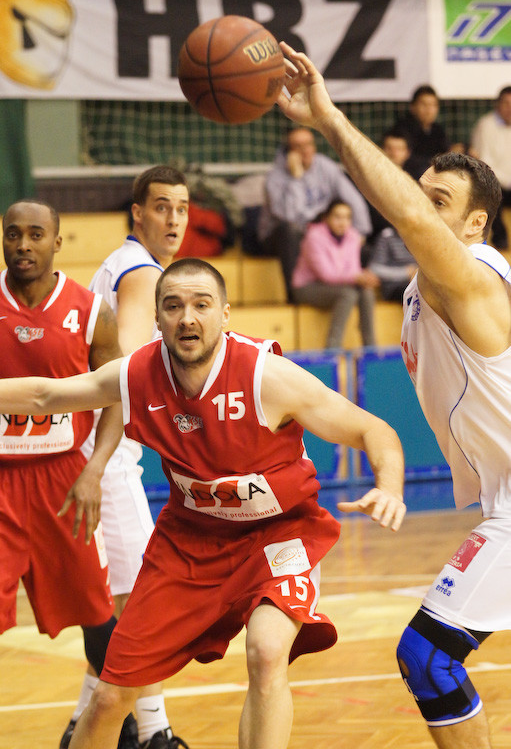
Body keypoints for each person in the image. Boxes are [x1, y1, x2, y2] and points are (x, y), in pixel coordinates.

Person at [0, 258, 407, 749]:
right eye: (172, 306)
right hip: (188, 542)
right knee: (110, 697)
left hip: (278, 534)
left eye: (201, 305)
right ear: (157, 318)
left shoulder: (266, 376)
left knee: (266, 649)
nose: (187, 317)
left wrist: (389, 486)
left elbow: (372, 429)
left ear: (225, 314)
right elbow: (46, 396)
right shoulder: (138, 374)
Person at [275, 41, 510, 749]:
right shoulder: (421, 286)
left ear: (474, 224)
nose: (417, 208)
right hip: (500, 493)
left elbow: (406, 214)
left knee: (426, 655)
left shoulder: (466, 273)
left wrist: (325, 119)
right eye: (420, 193)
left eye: (438, 201)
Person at [62, 165, 190, 749]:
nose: (174, 219)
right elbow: (134, 368)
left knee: (123, 598)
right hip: (104, 453)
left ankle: (85, 726)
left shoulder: (122, 263)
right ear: (137, 212)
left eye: (182, 209)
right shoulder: (140, 271)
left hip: (99, 447)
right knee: (143, 599)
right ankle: (154, 730)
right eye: (162, 206)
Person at [0, 199, 123, 738]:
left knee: (98, 615)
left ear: (57, 242)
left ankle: (112, 726)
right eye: (12, 234)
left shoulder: (91, 310)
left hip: (64, 480)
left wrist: (95, 469)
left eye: (35, 235)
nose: (23, 245)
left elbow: (118, 396)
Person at [257, 125, 372, 299]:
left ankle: (337, 291)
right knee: (289, 231)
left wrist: (360, 232)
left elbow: (353, 200)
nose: (305, 150)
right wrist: (296, 178)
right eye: (298, 146)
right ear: (288, 151)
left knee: (363, 247)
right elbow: (291, 217)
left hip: (317, 235)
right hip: (279, 237)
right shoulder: (275, 177)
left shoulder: (326, 167)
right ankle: (294, 294)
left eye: (309, 144)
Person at [291, 199, 379, 348]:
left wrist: (364, 277)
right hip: (306, 287)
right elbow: (326, 274)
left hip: (338, 286)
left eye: (347, 217)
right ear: (326, 218)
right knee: (348, 294)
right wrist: (357, 277)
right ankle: (333, 349)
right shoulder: (314, 236)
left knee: (366, 292)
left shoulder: (353, 236)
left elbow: (353, 268)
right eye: (338, 217)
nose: (343, 222)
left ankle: (370, 349)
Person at [367, 132, 417, 301]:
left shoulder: (414, 182)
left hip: (406, 237)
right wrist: (406, 273)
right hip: (376, 239)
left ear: (407, 152)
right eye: (389, 148)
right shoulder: (368, 179)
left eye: (399, 148)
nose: (394, 153)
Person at [469, 86, 511, 249]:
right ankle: (501, 243)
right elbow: (484, 163)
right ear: (497, 105)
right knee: (493, 194)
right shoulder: (485, 125)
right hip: (495, 182)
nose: (510, 108)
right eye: (506, 103)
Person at [389, 85, 450, 179]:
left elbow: (445, 151)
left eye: (433, 105)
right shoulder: (402, 129)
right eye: (424, 104)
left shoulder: (438, 130)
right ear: (412, 107)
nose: (429, 110)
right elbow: (408, 159)